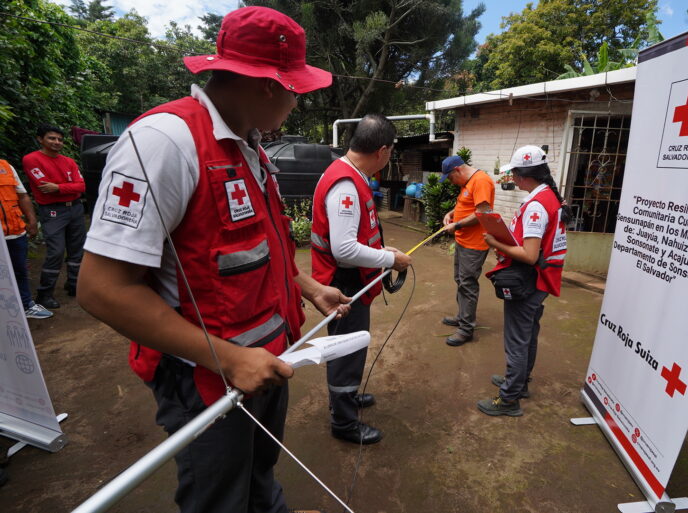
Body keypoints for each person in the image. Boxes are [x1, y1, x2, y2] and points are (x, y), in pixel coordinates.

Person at [77, 7, 350, 513]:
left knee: (259, 476)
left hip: (267, 364)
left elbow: (257, 247)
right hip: (209, 378)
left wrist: (307, 288)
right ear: (269, 86)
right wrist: (229, 359)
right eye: (296, 89)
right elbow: (102, 288)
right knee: (219, 498)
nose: (297, 101)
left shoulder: (250, 149)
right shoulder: (164, 143)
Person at [311, 114, 411, 445]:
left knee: (353, 346)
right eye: (391, 152)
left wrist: (383, 248)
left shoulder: (349, 175)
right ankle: (343, 421)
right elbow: (343, 249)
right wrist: (390, 259)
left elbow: (357, 236)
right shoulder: (346, 184)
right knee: (346, 351)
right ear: (382, 150)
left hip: (351, 280)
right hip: (343, 282)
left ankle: (347, 397)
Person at [477, 145, 569, 417]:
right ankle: (520, 382)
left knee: (517, 340)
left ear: (522, 175)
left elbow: (529, 255)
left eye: (514, 173)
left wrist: (495, 242)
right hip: (542, 279)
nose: (512, 178)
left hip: (529, 281)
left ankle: (509, 399)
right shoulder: (549, 197)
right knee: (528, 334)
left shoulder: (536, 207)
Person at [22, 124, 86, 309]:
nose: (56, 142)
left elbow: (81, 187)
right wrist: (67, 187)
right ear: (40, 139)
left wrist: (58, 187)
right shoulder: (31, 159)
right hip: (52, 211)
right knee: (56, 251)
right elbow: (44, 187)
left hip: (75, 208)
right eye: (51, 138)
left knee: (77, 250)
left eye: (59, 139)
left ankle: (73, 284)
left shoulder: (69, 161)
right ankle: (45, 293)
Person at [439, 155, 495, 346]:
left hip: (475, 244)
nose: (452, 183)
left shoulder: (481, 181)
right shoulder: (468, 183)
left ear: (457, 171)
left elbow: (483, 212)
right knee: (460, 280)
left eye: (451, 178)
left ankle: (466, 329)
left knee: (468, 284)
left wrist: (458, 225)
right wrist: (450, 214)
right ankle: (463, 316)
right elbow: (466, 206)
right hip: (463, 241)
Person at [0, 158, 53, 319]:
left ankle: (26, 304)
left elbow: (22, 196)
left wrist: (31, 220)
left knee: (20, 270)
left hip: (15, 232)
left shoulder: (5, 166)